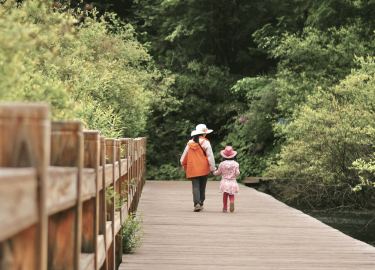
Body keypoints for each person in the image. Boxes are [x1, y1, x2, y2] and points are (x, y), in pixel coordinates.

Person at [180, 124, 216, 212]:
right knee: (202, 186)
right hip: (204, 168)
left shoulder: (190, 143)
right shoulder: (206, 142)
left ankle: (197, 204)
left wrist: (184, 165)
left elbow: (183, 157)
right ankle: (201, 202)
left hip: (192, 168)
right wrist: (212, 168)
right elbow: (210, 156)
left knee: (195, 186)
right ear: (204, 134)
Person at [213, 146, 240, 213]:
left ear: (224, 156)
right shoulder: (236, 164)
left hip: (225, 182)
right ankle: (232, 202)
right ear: (233, 155)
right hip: (232, 182)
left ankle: (225, 208)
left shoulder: (222, 164)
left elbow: (218, 172)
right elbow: (237, 173)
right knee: (231, 194)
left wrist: (214, 172)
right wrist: (236, 174)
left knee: (225, 195)